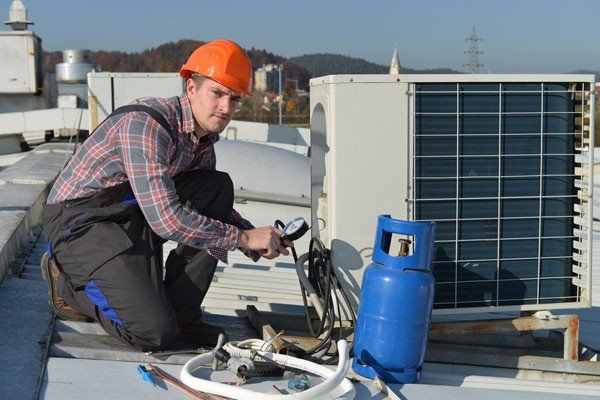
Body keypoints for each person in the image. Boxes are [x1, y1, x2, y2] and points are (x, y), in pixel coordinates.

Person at [42, 39, 291, 352]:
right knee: (154, 334)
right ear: (191, 88)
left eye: (235, 98)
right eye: (217, 93)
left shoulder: (202, 139)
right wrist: (242, 238)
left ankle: (182, 315)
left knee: (215, 187)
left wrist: (257, 239)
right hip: (81, 225)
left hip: (129, 216)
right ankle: (67, 282)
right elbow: (167, 220)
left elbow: (210, 210)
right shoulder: (146, 125)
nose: (226, 108)